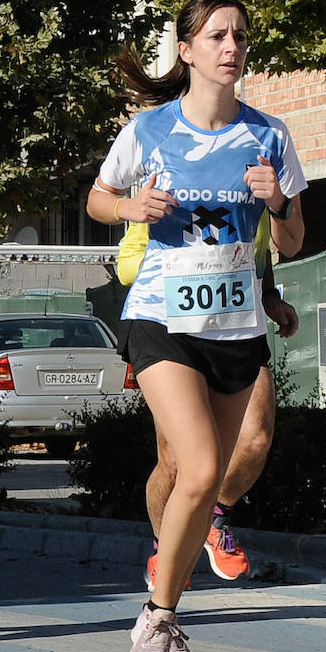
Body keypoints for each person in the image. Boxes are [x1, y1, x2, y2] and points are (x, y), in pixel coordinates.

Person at [88, 0, 306, 652]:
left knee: (239, 453)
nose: (231, 47)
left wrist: (276, 202)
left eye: (239, 35)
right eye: (216, 36)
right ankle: (157, 616)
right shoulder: (149, 130)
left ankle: (166, 606)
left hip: (236, 328)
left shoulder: (270, 136)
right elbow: (98, 199)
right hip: (160, 322)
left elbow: (294, 238)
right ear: (187, 51)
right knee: (202, 467)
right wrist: (129, 206)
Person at [119, 219, 301, 588]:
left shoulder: (254, 188)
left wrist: (269, 297)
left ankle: (215, 518)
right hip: (174, 337)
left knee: (256, 437)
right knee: (173, 463)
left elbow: (258, 254)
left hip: (236, 331)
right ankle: (163, 547)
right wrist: (191, 265)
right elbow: (126, 266)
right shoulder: (170, 184)